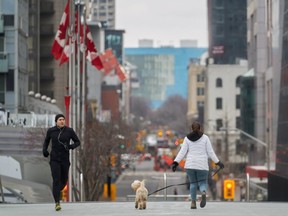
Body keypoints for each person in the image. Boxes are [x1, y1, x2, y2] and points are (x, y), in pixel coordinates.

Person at [172, 121, 224, 209]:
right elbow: (210, 152)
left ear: (191, 129)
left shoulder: (187, 139)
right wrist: (218, 162)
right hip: (202, 165)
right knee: (202, 183)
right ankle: (203, 191)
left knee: (193, 184)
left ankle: (193, 203)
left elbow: (182, 152)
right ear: (200, 129)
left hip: (190, 165)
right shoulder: (205, 138)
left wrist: (175, 162)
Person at [43, 114, 80, 211]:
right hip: (54, 159)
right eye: (60, 120)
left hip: (64, 159)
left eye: (63, 119)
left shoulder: (69, 131)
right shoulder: (51, 131)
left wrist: (71, 147)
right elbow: (46, 141)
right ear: (56, 121)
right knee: (56, 180)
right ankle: (57, 203)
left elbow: (77, 142)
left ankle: (57, 191)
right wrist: (45, 150)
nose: (62, 121)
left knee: (64, 181)